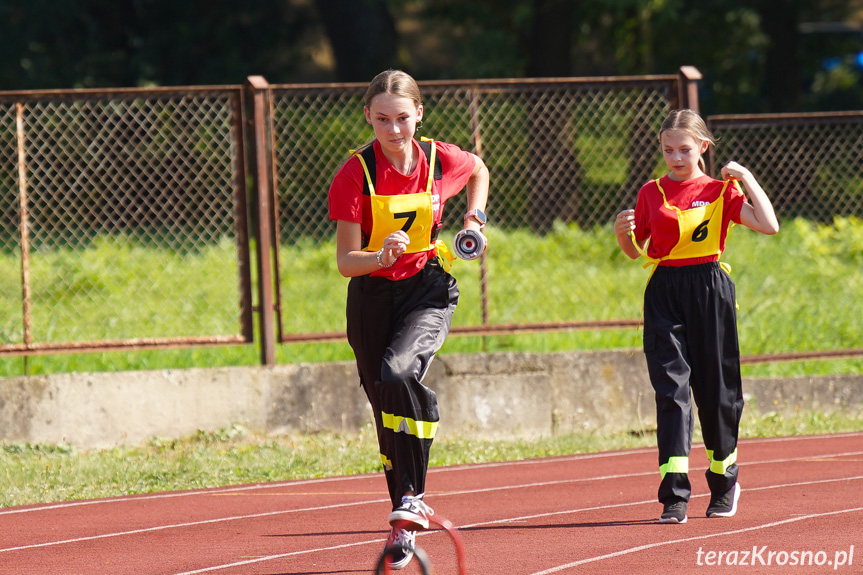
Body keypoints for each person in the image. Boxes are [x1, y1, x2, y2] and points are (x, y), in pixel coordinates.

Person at [327, 69, 489, 568]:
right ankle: (404, 519)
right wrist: (379, 256)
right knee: (384, 409)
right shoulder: (356, 173)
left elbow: (479, 168)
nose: (394, 130)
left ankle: (413, 497)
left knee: (400, 374)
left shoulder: (441, 158)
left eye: (402, 118)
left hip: (427, 289)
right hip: (373, 297)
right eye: (382, 120)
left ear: (419, 113)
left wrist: (473, 219)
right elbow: (345, 262)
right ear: (368, 119)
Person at [614, 109, 779, 525]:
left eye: (684, 149)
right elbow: (638, 251)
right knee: (671, 390)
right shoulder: (651, 192)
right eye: (667, 149)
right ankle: (674, 495)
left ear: (702, 147)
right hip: (665, 290)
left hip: (709, 289)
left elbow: (770, 225)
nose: (675, 157)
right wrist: (623, 237)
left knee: (717, 391)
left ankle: (725, 482)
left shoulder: (722, 191)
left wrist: (746, 177)